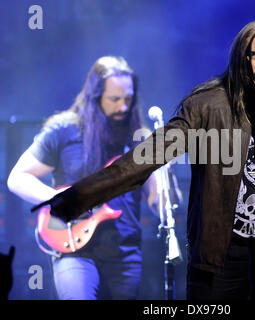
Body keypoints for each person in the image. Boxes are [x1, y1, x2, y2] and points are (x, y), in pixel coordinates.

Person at [33, 21, 255, 300]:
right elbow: (147, 156)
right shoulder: (207, 106)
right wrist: (84, 194)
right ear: (240, 58)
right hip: (223, 246)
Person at [7, 56, 161, 300]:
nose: (123, 106)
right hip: (73, 248)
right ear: (95, 96)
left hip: (124, 253)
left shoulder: (141, 140)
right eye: (114, 99)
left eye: (128, 99)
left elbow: (158, 200)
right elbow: (17, 178)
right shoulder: (63, 131)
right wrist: (59, 197)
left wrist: (165, 191)